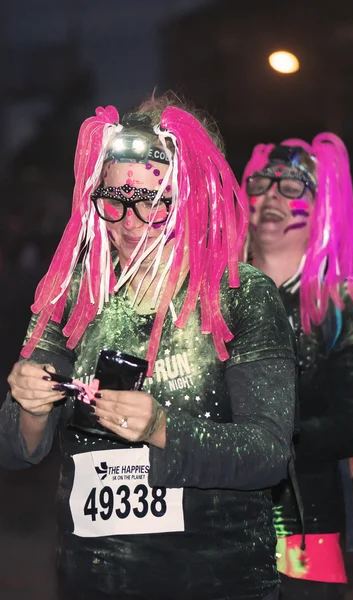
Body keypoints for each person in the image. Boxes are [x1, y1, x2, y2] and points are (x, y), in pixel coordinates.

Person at [0, 96, 297, 600]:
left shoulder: (242, 295)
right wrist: (28, 407)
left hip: (215, 580)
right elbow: (16, 452)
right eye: (114, 199)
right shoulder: (74, 293)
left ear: (193, 200)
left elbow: (268, 454)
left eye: (153, 203)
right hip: (91, 578)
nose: (129, 223)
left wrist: (161, 428)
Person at [242, 135, 353, 600]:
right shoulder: (216, 295)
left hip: (304, 536)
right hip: (215, 529)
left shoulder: (340, 303)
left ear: (322, 208)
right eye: (262, 183)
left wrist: (260, 443)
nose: (274, 195)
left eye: (294, 186)